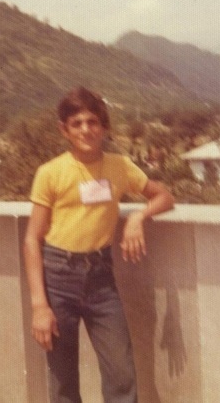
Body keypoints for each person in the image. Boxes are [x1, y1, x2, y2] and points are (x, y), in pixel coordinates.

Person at [23, 87, 175, 403]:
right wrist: (39, 307)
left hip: (101, 281)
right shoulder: (50, 173)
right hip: (58, 279)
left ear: (104, 127)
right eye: (76, 123)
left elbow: (164, 196)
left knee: (121, 373)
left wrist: (137, 217)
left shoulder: (120, 166)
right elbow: (31, 240)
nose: (86, 130)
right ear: (64, 130)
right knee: (63, 380)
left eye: (92, 122)